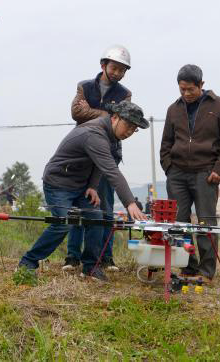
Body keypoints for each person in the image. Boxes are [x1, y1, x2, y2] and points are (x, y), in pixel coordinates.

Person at [19, 101, 149, 282]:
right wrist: (130, 203)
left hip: (80, 185)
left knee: (96, 218)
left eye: (134, 129)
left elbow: (99, 163)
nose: (129, 132)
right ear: (115, 117)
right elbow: (111, 170)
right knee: (63, 223)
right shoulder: (94, 134)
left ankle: (90, 267)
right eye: (128, 125)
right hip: (58, 182)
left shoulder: (111, 136)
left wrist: (93, 186)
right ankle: (27, 263)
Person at [160, 64, 220, 284]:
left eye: (190, 89)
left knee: (206, 223)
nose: (185, 94)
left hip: (206, 174)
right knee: (179, 223)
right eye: (181, 89)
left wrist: (219, 170)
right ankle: (189, 266)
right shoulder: (173, 109)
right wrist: (169, 168)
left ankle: (206, 271)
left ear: (201, 85)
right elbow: (166, 142)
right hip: (177, 175)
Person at [64, 45, 132, 273]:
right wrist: (106, 114)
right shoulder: (84, 86)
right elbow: (76, 113)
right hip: (82, 155)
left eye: (122, 70)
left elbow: (120, 118)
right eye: (114, 68)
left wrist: (92, 111)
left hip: (107, 153)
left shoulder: (125, 94)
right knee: (77, 206)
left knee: (105, 207)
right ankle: (72, 256)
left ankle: (106, 257)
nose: (117, 73)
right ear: (103, 65)